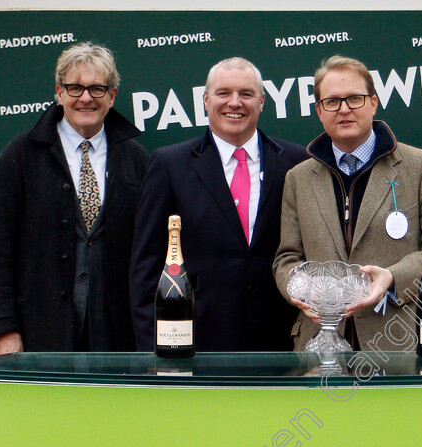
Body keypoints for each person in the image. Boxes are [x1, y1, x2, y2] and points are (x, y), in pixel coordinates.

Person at [273, 55, 422, 352]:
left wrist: (392, 278)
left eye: (355, 98)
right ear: (319, 111)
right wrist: (300, 286)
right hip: (318, 349)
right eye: (332, 101)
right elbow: (286, 259)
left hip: (396, 345)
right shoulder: (298, 179)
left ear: (374, 103)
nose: (345, 109)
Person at [130, 57, 308, 351]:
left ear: (262, 101)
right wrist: (154, 351)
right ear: (205, 100)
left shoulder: (295, 162)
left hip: (282, 342)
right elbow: (146, 269)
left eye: (246, 94)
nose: (234, 103)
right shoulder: (170, 165)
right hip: (198, 343)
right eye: (223, 93)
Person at [0, 42, 149, 353]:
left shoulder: (137, 160)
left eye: (97, 88)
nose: (86, 98)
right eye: (75, 88)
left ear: (112, 96)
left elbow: (152, 253)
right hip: (40, 336)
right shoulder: (20, 156)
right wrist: (4, 329)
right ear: (59, 93)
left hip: (120, 342)